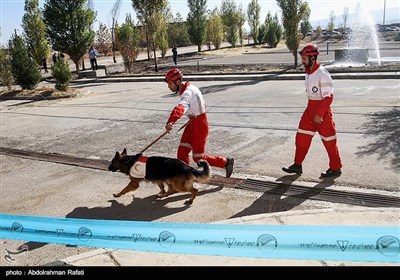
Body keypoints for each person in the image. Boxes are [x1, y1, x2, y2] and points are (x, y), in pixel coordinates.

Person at [282, 44, 342, 178]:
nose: (302, 61)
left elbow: (328, 97)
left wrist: (319, 114)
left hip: (322, 113)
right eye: (302, 58)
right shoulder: (308, 73)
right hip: (309, 110)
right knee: (301, 138)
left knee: (329, 142)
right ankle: (297, 165)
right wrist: (312, 113)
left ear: (313, 58)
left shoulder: (322, 74)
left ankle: (335, 168)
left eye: (304, 59)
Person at [164, 68, 234, 177]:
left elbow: (180, 108)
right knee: (182, 152)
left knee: (198, 158)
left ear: (178, 82)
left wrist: (171, 121)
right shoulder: (188, 89)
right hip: (192, 122)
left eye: (169, 84)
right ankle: (186, 177)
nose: (169, 86)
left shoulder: (188, 92)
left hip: (199, 125)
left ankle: (225, 162)